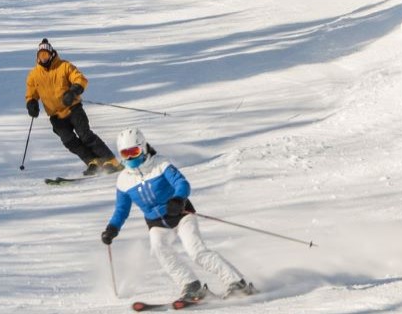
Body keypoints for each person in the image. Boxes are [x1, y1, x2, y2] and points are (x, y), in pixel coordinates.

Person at [100, 127, 256, 305]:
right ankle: (191, 285)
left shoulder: (161, 164)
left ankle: (237, 282)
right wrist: (112, 228)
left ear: (142, 148)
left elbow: (182, 183)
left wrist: (178, 199)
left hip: (181, 214)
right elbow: (121, 209)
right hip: (156, 223)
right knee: (159, 250)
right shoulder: (124, 180)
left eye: (134, 152)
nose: (130, 158)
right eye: (125, 154)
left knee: (196, 251)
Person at [25, 38, 124, 176]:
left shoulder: (64, 66)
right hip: (55, 115)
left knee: (85, 136)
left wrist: (73, 91)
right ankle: (92, 161)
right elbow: (31, 94)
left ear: (52, 54)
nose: (43, 58)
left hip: (73, 109)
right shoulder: (34, 75)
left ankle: (111, 161)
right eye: (40, 55)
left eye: (46, 54)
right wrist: (31, 104)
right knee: (68, 141)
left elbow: (80, 79)